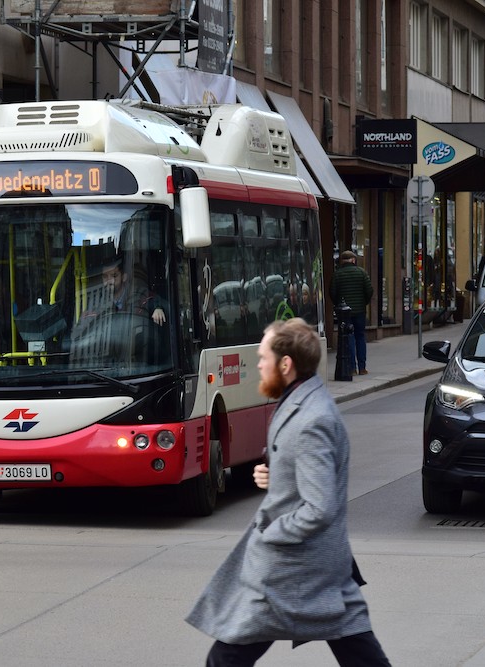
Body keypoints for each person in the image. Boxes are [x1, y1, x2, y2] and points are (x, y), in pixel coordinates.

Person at [186, 318, 391, 666]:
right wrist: (276, 475)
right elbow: (304, 472)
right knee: (359, 652)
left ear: (286, 364)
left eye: (264, 357)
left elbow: (320, 507)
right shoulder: (302, 399)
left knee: (226, 658)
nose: (259, 363)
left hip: (293, 570)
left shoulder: (313, 419)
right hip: (314, 569)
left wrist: (270, 533)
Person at [330, 250, 373, 375]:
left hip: (344, 313)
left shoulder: (337, 274)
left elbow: (332, 292)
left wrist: (339, 304)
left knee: (348, 338)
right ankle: (362, 367)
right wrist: (364, 302)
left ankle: (352, 368)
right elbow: (369, 290)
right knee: (360, 336)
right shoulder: (362, 273)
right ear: (353, 260)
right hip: (360, 311)